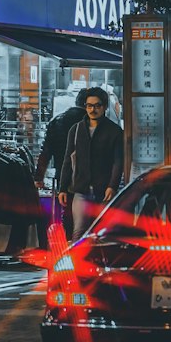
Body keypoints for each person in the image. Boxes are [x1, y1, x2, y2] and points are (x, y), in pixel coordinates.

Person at [58, 88, 125, 239]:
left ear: (105, 106)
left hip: (103, 191)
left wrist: (112, 186)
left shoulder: (114, 131)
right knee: (79, 233)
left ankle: (99, 262)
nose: (92, 109)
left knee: (102, 234)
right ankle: (77, 262)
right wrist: (63, 188)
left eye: (97, 105)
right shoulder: (76, 130)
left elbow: (118, 161)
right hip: (81, 189)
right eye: (89, 105)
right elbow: (68, 160)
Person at [35, 88, 88, 237]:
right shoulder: (91, 122)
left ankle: (70, 243)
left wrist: (39, 177)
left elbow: (45, 152)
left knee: (67, 212)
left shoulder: (57, 121)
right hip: (89, 177)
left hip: (63, 175)